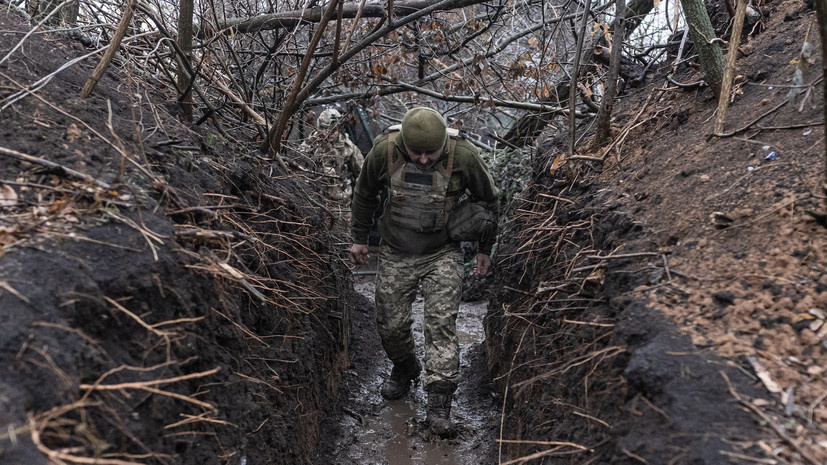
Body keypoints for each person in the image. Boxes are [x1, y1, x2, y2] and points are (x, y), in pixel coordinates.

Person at [349, 107, 499, 436]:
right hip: (395, 251)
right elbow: (364, 193)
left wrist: (485, 249)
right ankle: (405, 368)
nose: (423, 159)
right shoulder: (384, 151)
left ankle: (439, 403)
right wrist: (360, 239)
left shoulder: (464, 156)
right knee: (390, 324)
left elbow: (490, 201)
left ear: (442, 145)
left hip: (442, 252)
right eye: (416, 152)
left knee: (440, 324)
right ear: (404, 145)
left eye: (430, 152)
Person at [300, 109, 364, 227]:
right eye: (323, 128)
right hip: (315, 202)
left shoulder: (348, 146)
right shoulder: (310, 144)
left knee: (343, 239)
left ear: (339, 128)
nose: (328, 132)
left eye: (333, 129)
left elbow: (362, 173)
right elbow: (298, 168)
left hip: (341, 203)